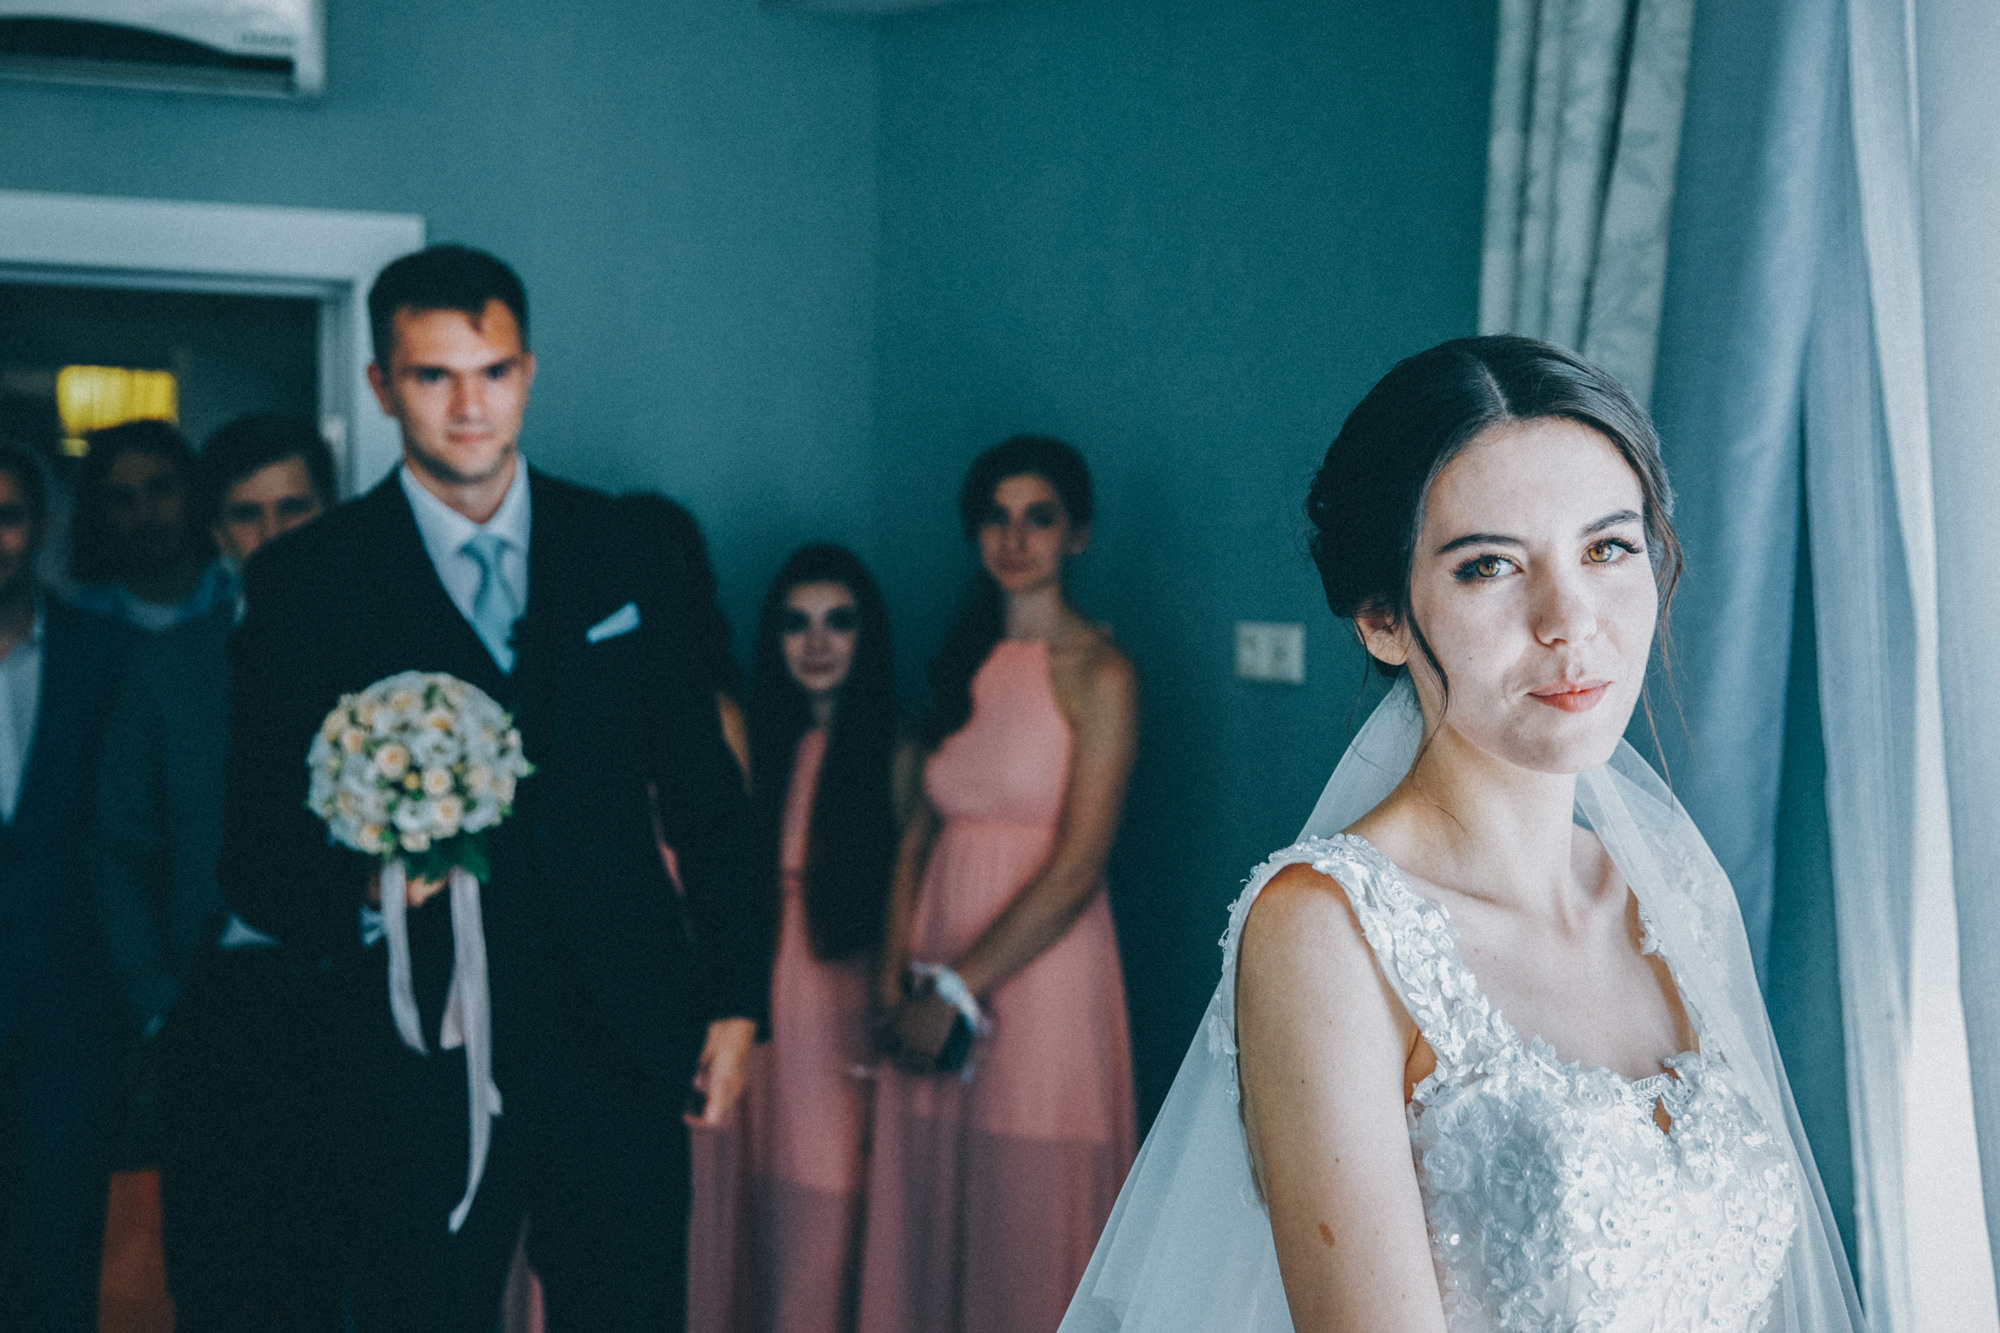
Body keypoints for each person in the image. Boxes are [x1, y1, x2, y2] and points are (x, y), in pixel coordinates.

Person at [1058, 336, 1865, 1333]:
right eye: (1487, 566)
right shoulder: (1326, 932)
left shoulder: (1667, 893)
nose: (1567, 619)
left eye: (1607, 547)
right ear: (1381, 617)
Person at [217, 243, 773, 1332]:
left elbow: (707, 798)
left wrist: (739, 995)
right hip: (412, 1055)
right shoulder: (305, 580)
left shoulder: (622, 549)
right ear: (382, 386)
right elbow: (251, 852)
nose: (468, 405)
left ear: (528, 370)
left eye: (494, 370)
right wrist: (371, 885)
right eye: (432, 376)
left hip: (619, 1035)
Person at [860, 435, 1138, 1333]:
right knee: (930, 1203)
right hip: (931, 955)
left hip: (1041, 972)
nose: (1015, 537)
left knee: (1023, 1214)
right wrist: (896, 974)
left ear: (1078, 535)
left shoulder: (1102, 672)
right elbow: (913, 834)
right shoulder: (958, 664)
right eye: (997, 516)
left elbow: (1078, 865)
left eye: (1040, 517)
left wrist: (953, 987)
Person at [88, 413, 339, 1331]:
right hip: (217, 992)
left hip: (358, 989)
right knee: (222, 1271)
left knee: (352, 1259)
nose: (274, 535)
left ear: (333, 509)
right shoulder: (168, 667)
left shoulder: (392, 645)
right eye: (248, 513)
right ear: (217, 528)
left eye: (295, 508)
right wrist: (159, 997)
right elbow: (116, 845)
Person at [689, 543, 918, 1333]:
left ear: (867, 636)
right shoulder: (757, 742)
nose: (817, 642)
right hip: (753, 998)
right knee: (744, 1211)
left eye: (838, 622)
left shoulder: (895, 752)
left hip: (841, 1004)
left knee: (822, 1217)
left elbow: (907, 904)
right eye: (796, 623)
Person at [0, 443, 132, 1331]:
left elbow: (134, 840)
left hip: (69, 1014)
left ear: (40, 527)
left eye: (6, 516)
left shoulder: (110, 652)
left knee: (58, 1260)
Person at [68, 419, 232, 631]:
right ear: (100, 513)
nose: (144, 514)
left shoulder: (239, 601)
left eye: (160, 490)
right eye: (123, 499)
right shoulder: (80, 621)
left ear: (192, 492)